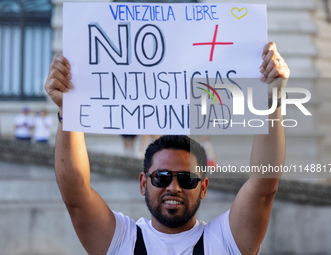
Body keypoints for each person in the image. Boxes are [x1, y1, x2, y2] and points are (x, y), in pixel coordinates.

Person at [44, 42, 290, 255]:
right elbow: (75, 194)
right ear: (143, 183)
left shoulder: (225, 241)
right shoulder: (120, 241)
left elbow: (263, 187)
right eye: (161, 177)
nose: (174, 187)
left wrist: (271, 102)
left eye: (187, 178)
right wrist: (69, 111)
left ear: (203, 187)